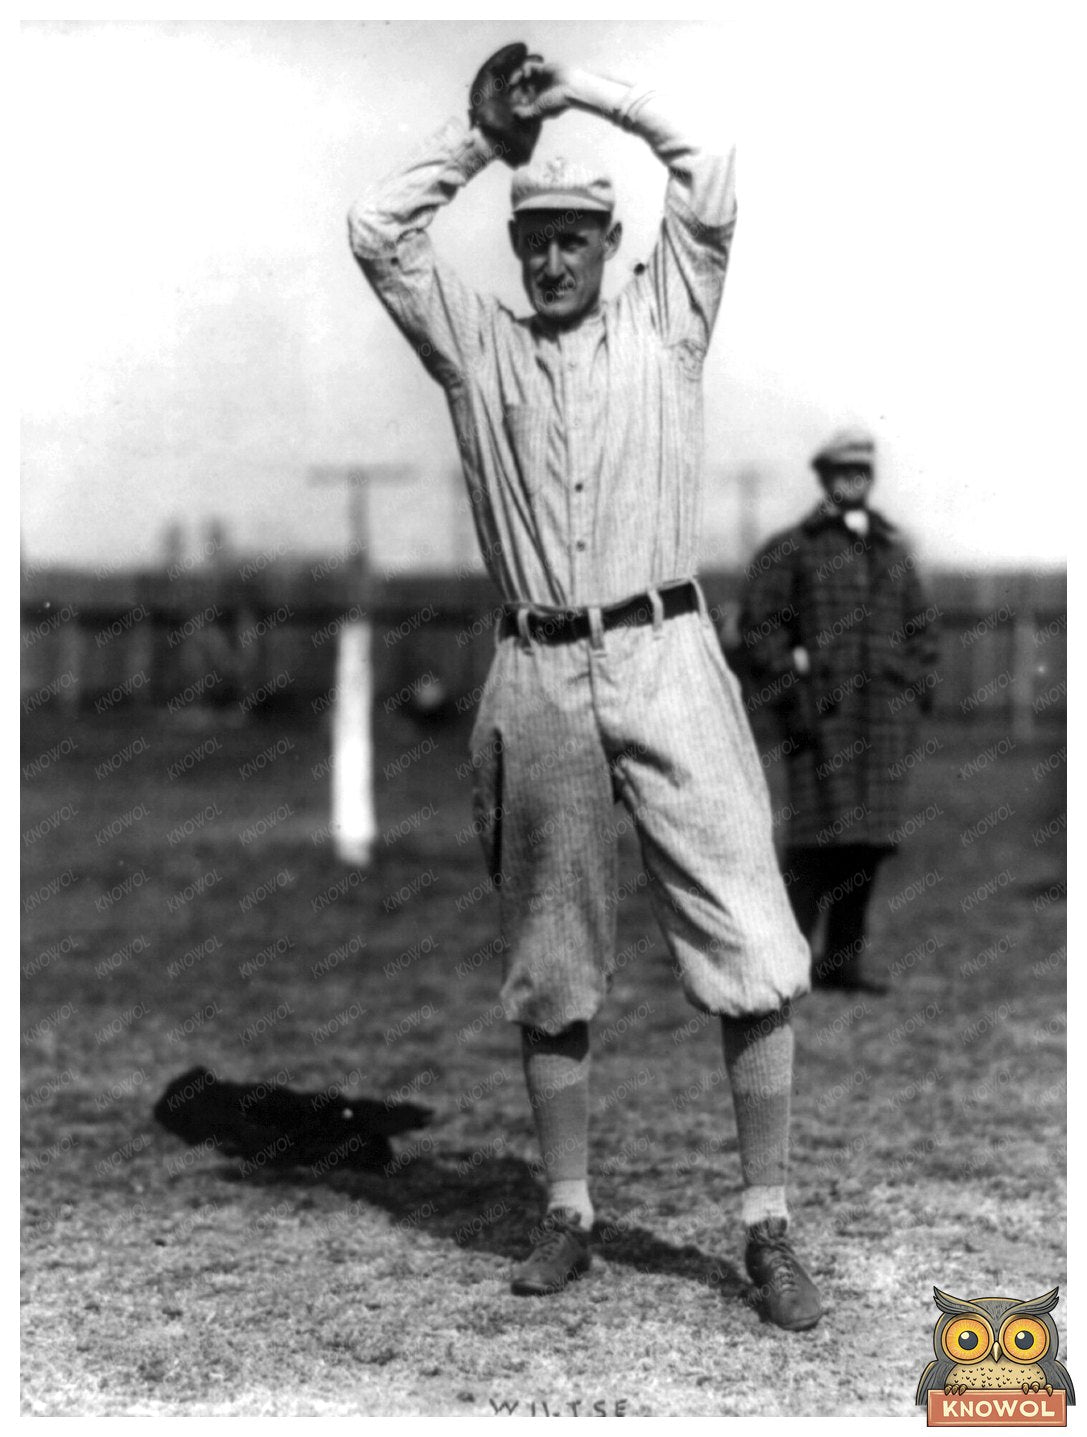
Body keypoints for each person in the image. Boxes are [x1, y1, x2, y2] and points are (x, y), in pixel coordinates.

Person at [348, 52, 821, 1331]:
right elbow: (375, 231)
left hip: (669, 656)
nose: (554, 261)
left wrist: (587, 96)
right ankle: (568, 1213)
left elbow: (709, 173)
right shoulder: (477, 350)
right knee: (551, 964)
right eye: (535, 242)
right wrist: (480, 141)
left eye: (575, 239)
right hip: (539, 671)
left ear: (613, 245)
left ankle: (767, 1226)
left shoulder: (667, 322)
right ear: (516, 249)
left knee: (752, 941)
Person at [740, 428, 940, 994]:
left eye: (863, 471)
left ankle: (842, 963)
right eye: (842, 471)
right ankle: (787, 964)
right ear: (823, 477)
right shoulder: (792, 548)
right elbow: (760, 627)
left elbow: (923, 631)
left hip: (881, 724)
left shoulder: (892, 551)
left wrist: (909, 692)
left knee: (866, 846)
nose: (854, 480)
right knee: (814, 844)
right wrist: (791, 690)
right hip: (820, 722)